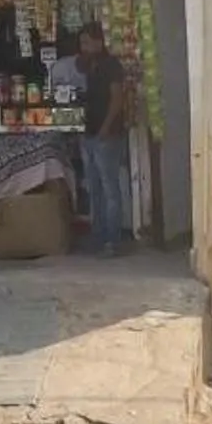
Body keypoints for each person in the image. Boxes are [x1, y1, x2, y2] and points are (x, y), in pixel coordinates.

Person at [75, 24, 134, 255]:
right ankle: (98, 237)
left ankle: (112, 241)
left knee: (109, 189)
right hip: (90, 134)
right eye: (82, 43)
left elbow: (117, 99)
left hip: (106, 135)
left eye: (88, 42)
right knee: (94, 188)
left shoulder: (111, 65)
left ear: (99, 42)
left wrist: (105, 128)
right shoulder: (91, 65)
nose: (84, 47)